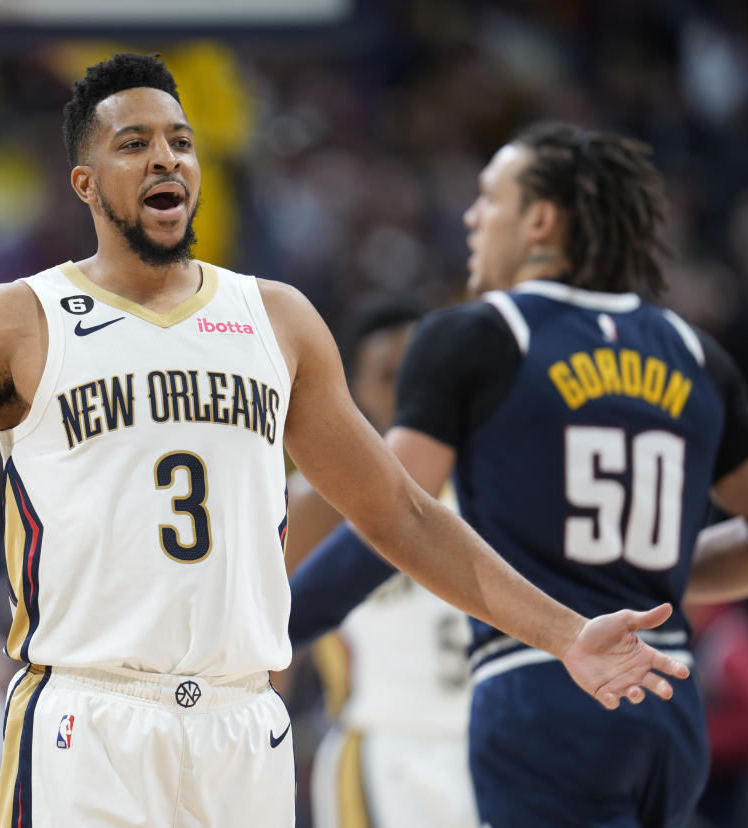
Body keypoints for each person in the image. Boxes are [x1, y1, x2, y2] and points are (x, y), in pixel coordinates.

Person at [0, 59, 688, 828]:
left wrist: (563, 634)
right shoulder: (16, 321)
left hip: (246, 723)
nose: (169, 160)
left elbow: (397, 513)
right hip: (89, 718)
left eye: (183, 142)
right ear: (86, 180)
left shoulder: (281, 318)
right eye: (137, 142)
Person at [290, 121, 748, 827]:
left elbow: (394, 512)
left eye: (488, 198)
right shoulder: (697, 354)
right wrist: (654, 578)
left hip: (547, 686)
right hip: (668, 701)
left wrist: (275, 624)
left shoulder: (479, 335)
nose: (472, 217)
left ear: (539, 219)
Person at [285, 297, 477, 828]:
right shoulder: (313, 503)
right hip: (382, 746)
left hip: (492, 741)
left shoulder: (490, 485)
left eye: (419, 370)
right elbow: (273, 648)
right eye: (389, 375)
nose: (408, 388)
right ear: (357, 391)